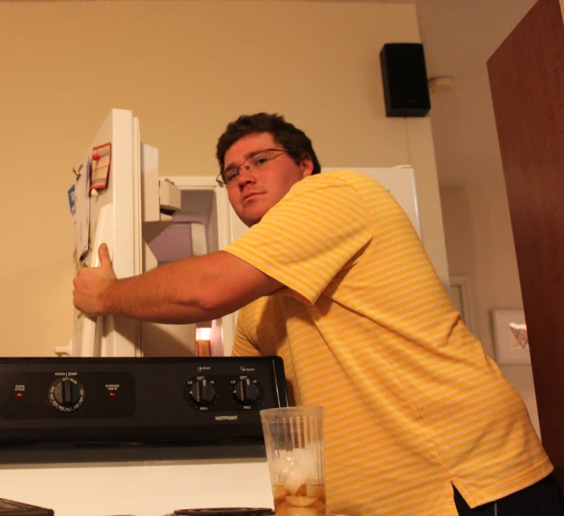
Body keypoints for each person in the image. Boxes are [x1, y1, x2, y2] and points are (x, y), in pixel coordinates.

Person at [72, 112, 561, 516]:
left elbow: (206, 291)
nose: (243, 176)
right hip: (373, 505)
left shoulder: (336, 194)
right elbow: (269, 417)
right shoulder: (258, 304)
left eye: (261, 160)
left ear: (305, 166)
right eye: (231, 173)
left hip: (466, 482)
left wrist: (106, 295)